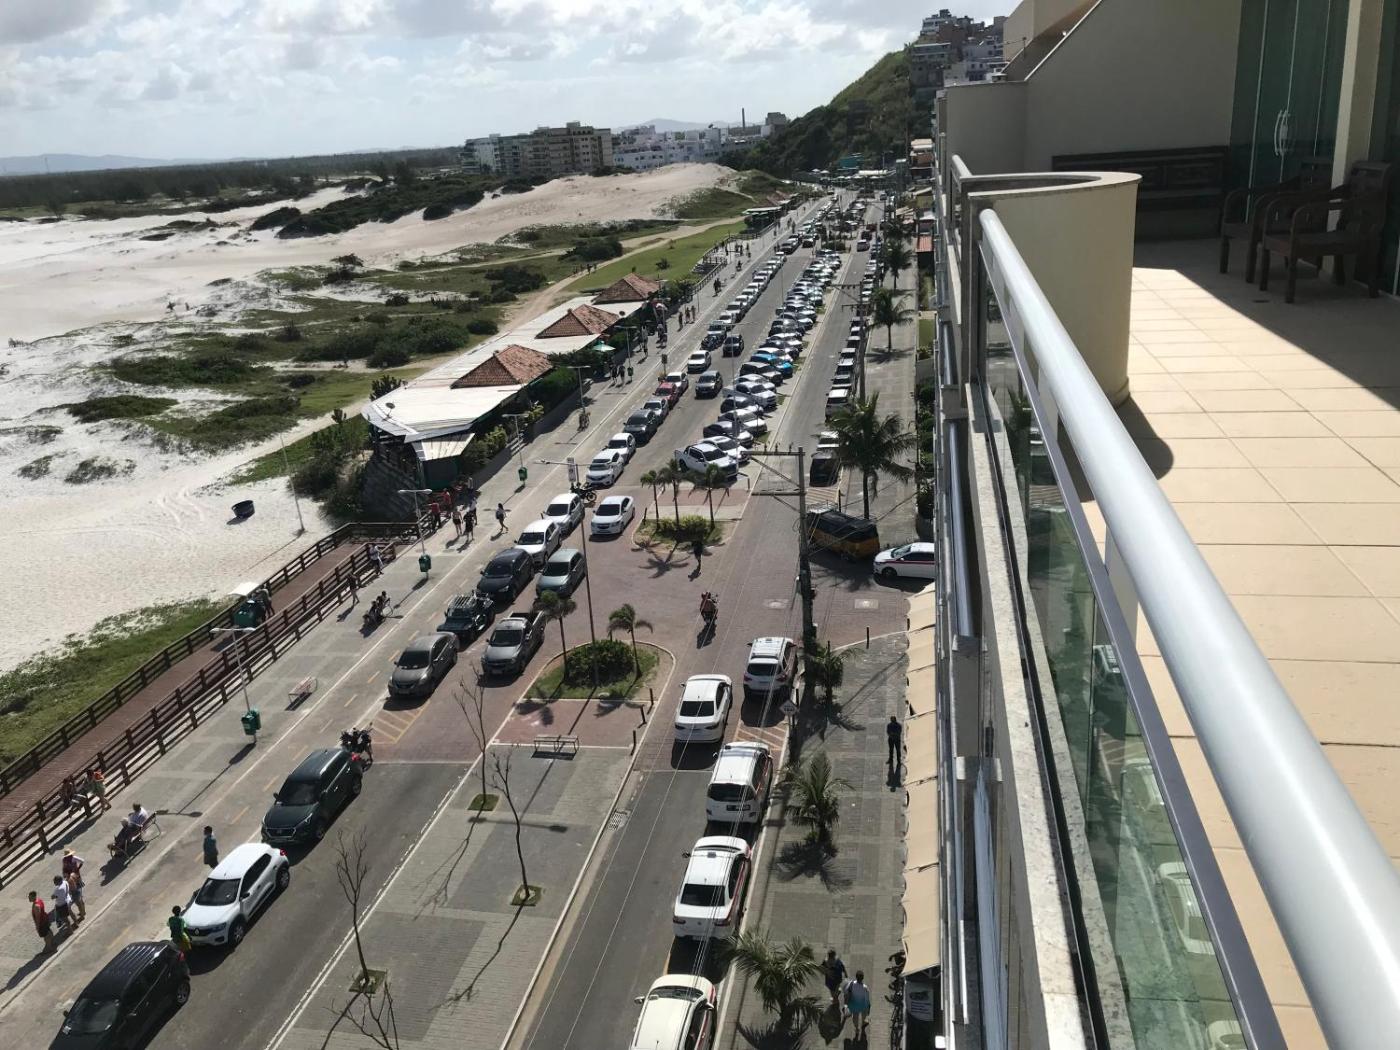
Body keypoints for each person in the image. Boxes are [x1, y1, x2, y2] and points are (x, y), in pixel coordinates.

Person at [845, 971, 871, 1038]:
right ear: (863, 978)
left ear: (856, 977)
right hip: (863, 1005)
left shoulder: (851, 984)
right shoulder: (865, 987)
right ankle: (863, 1027)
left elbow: (846, 992)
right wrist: (868, 1008)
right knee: (864, 1017)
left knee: (855, 1018)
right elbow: (867, 999)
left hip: (854, 1005)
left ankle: (857, 1029)